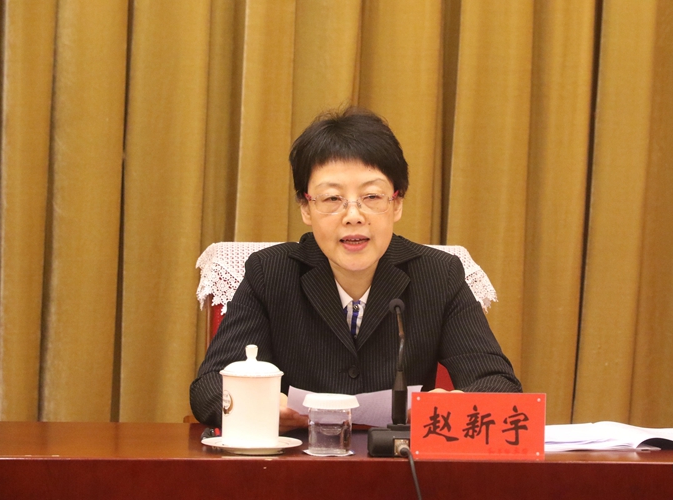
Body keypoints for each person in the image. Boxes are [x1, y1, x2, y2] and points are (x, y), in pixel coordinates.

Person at [190, 107, 522, 431]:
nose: (353, 216)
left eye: (372, 197)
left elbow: (499, 384)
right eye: (332, 199)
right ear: (306, 207)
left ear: (397, 203)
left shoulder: (439, 275)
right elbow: (208, 388)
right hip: (300, 458)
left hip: (400, 462)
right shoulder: (270, 274)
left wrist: (453, 405)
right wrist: (259, 406)